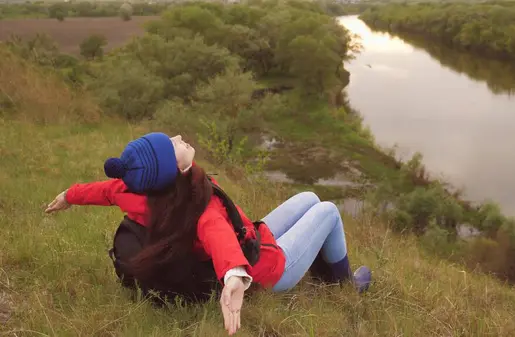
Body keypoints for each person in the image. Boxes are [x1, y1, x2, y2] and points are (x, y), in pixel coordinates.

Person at [45, 132, 372, 335]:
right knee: (327, 210)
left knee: (310, 198)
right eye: (173, 145)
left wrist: (68, 195)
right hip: (268, 268)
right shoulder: (200, 208)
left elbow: (103, 190)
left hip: (254, 237)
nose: (178, 137)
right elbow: (220, 238)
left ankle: (320, 267)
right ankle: (344, 286)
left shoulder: (138, 192)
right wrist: (234, 277)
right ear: (181, 169)